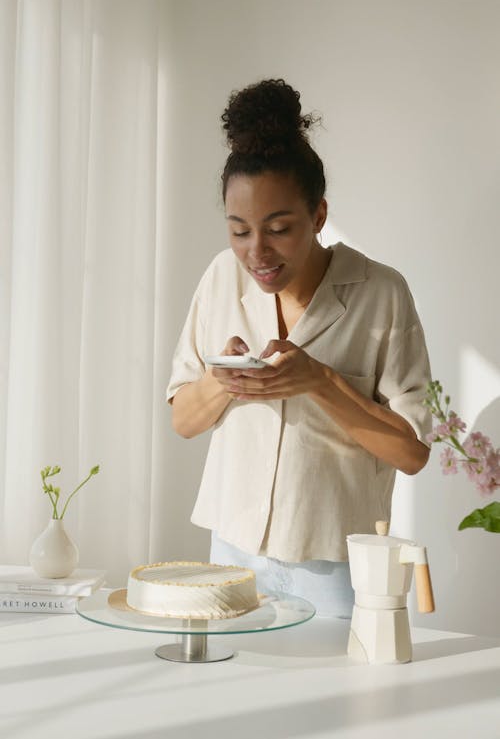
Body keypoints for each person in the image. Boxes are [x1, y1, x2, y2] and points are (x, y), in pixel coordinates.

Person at [166, 78, 432, 618]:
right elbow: (184, 421)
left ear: (318, 215)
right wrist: (223, 381)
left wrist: (322, 381)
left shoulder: (381, 292)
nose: (256, 251)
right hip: (232, 552)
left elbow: (413, 453)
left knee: (331, 700)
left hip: (334, 562)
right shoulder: (221, 279)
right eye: (238, 230)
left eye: (279, 228)